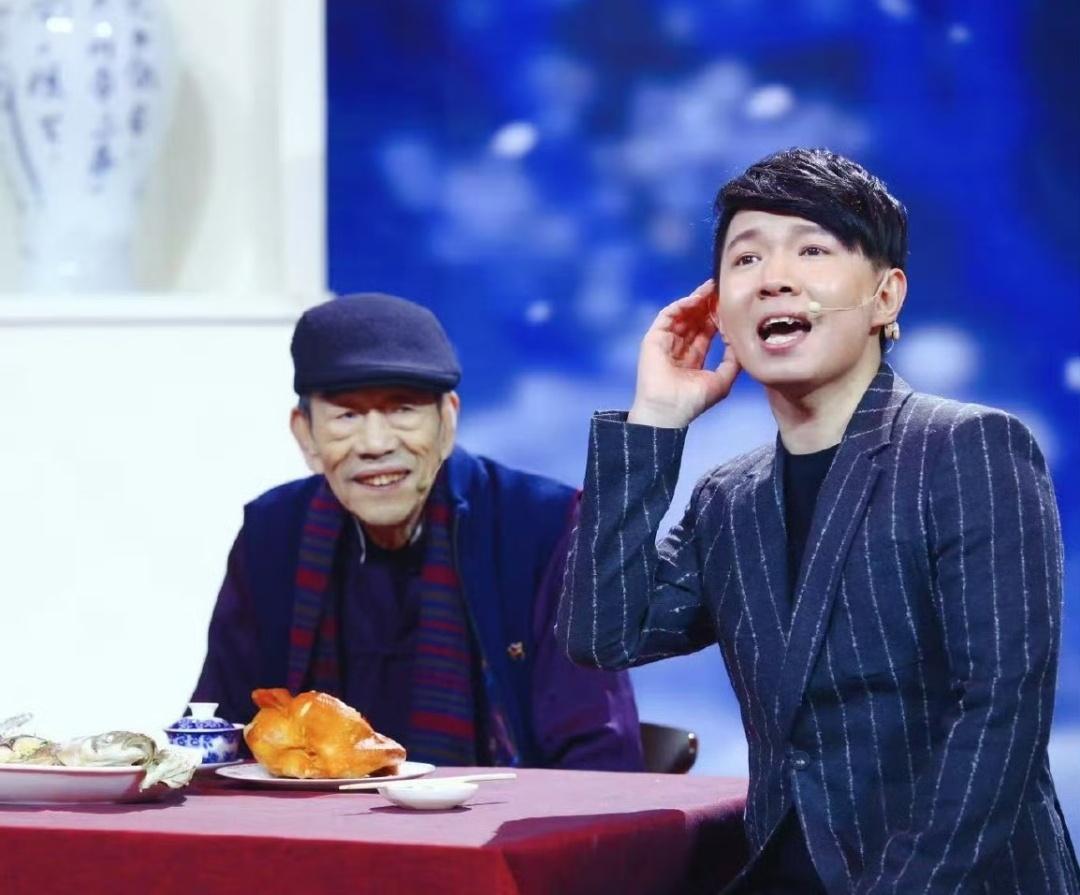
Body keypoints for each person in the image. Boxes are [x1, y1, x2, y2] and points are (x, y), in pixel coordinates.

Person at [557, 148, 1078, 892]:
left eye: (811, 250)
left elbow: (1000, 715)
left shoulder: (968, 448)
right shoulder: (728, 498)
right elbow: (604, 634)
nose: (774, 277)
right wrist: (655, 421)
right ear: (721, 312)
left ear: (886, 297)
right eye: (746, 258)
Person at [193, 292, 642, 770]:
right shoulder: (273, 533)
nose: (376, 444)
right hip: (309, 815)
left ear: (448, 421)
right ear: (306, 435)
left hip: (496, 813)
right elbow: (221, 729)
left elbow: (599, 755)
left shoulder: (542, 527)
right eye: (346, 415)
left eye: (402, 409)